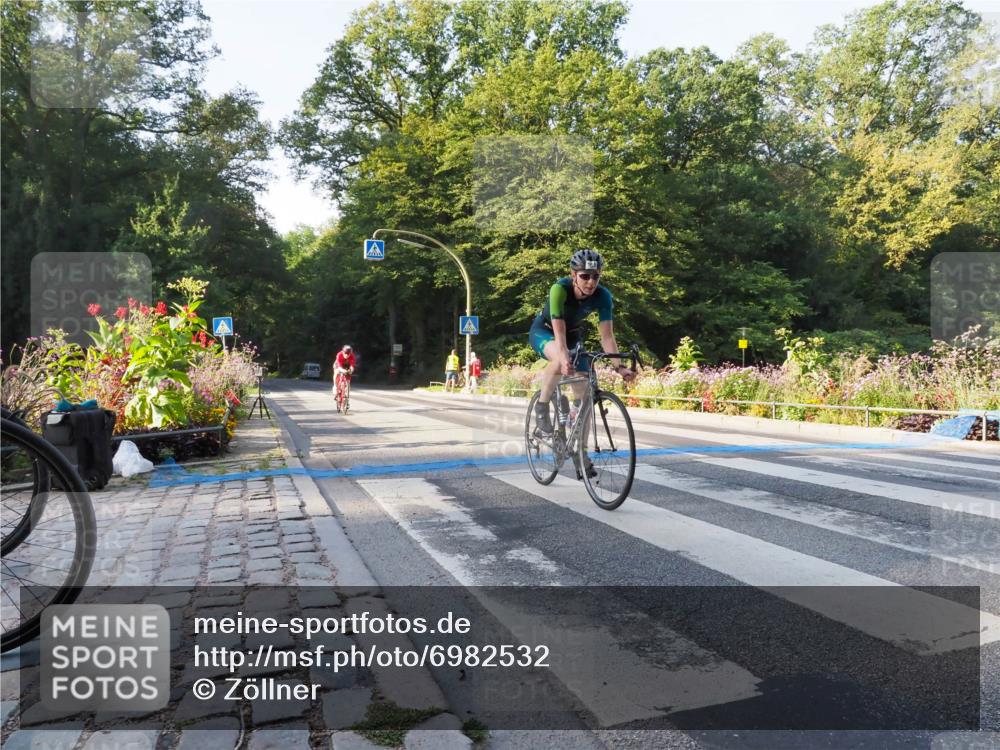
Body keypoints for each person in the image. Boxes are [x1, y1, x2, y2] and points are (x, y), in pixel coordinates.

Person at [527, 249, 634, 478]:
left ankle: (580, 454)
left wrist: (619, 366)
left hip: (573, 335)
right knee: (559, 358)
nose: (591, 282)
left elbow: (607, 337)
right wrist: (565, 357)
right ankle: (542, 406)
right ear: (573, 275)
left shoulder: (603, 296)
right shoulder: (560, 289)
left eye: (595, 276)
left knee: (585, 399)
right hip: (545, 331)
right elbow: (559, 331)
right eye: (585, 276)